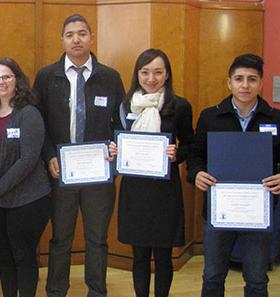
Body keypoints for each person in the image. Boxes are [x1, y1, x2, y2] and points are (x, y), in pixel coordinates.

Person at [187, 53, 280, 297]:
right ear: (229, 83)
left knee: (257, 279)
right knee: (213, 276)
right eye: (239, 79)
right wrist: (196, 173)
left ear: (261, 83)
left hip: (257, 213)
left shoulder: (278, 119)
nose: (245, 85)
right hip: (220, 211)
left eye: (252, 79)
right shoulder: (211, 117)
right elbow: (195, 155)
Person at [33, 14, 125, 297]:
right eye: (70, 34)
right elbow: (38, 124)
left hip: (99, 177)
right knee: (60, 238)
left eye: (82, 33)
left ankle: (96, 291)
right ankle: (56, 291)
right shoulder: (47, 77)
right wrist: (49, 155)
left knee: (97, 240)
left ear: (91, 38)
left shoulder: (110, 77)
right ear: (62, 40)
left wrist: (115, 145)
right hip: (61, 174)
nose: (76, 39)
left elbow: (121, 125)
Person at [110, 49, 193, 297]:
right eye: (145, 72)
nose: (151, 78)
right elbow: (114, 137)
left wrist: (176, 153)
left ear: (167, 75)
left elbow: (191, 143)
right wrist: (114, 148)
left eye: (158, 72)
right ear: (138, 74)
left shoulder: (179, 106)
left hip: (165, 192)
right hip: (135, 191)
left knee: (164, 256)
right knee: (139, 256)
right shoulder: (125, 105)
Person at [0, 57, 51, 297]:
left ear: (17, 81)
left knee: (23, 256)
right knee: (4, 256)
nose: (1, 81)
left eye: (7, 76)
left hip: (27, 200)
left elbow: (28, 159)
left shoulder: (29, 114)